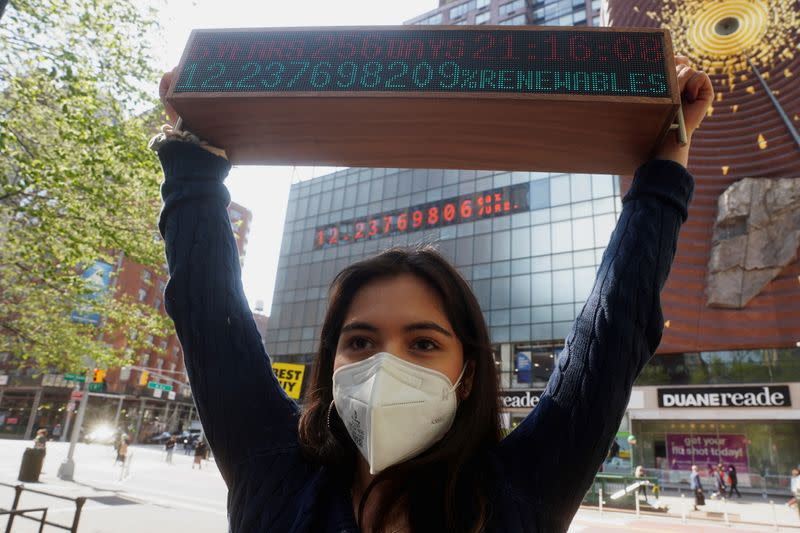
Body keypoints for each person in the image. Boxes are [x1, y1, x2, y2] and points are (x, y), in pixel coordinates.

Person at [153, 54, 712, 532]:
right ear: (331, 361)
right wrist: (192, 151)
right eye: (361, 342)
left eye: (422, 343)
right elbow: (209, 310)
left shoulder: (519, 492)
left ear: (467, 371)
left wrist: (667, 161)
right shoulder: (272, 472)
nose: (384, 365)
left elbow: (614, 329)